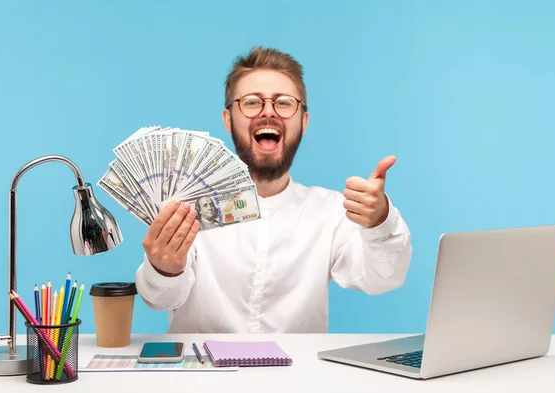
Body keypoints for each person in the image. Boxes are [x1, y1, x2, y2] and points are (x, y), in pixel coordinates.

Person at [135, 46, 412, 333]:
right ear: (228, 120)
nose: (268, 112)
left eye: (284, 102)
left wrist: (380, 220)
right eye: (252, 102)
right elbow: (159, 298)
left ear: (303, 121)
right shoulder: (187, 208)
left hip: (298, 376)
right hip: (204, 374)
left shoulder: (331, 213)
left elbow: (383, 278)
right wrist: (163, 267)